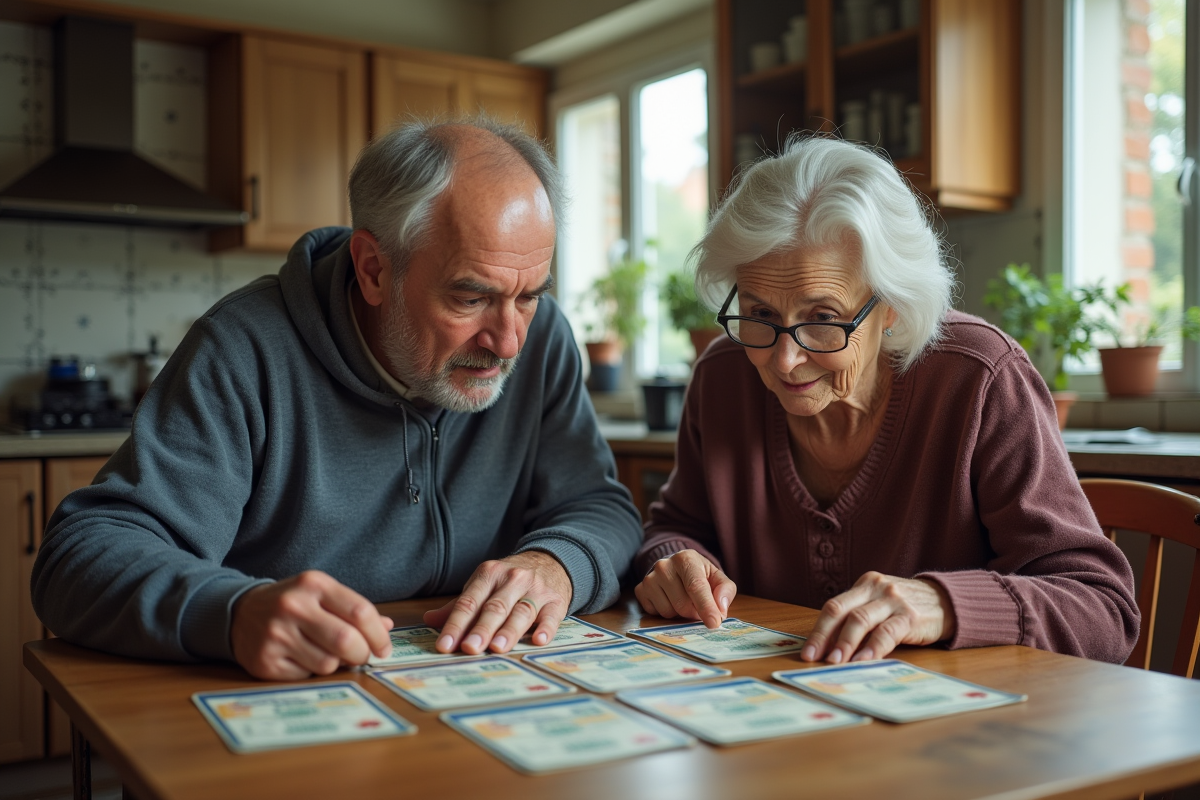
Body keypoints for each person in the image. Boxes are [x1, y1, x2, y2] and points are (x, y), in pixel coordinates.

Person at [32, 118, 643, 680]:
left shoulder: (545, 341)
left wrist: (556, 564)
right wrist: (231, 611)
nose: (509, 341)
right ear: (374, 269)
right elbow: (79, 556)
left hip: (478, 694)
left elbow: (601, 507)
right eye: (469, 297)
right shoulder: (245, 348)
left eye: (531, 295)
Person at [633, 135, 1139, 665]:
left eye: (824, 319)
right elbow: (678, 525)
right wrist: (675, 561)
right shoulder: (723, 376)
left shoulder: (979, 380)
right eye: (760, 315)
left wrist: (943, 603)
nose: (783, 360)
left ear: (892, 306)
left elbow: (1103, 608)